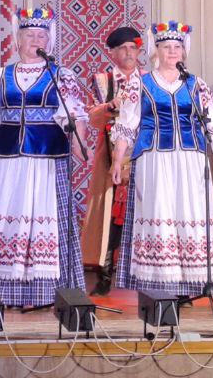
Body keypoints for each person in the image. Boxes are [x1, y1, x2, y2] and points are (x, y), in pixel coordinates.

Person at [0, 6, 89, 308]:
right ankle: (3, 291)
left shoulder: (60, 75)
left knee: (44, 221)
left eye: (42, 35)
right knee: (8, 217)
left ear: (49, 40)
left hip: (47, 158)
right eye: (30, 35)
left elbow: (75, 116)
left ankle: (47, 292)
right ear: (18, 39)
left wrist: (79, 144)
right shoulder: (0, 76)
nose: (36, 40)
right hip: (7, 160)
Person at [111, 21, 213, 297]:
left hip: (191, 159)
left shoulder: (196, 84)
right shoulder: (140, 83)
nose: (172, 51)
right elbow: (127, 124)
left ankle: (193, 281)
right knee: (159, 209)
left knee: (190, 210)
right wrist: (117, 160)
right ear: (156, 51)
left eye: (177, 47)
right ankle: (160, 280)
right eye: (166, 46)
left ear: (184, 51)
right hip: (154, 158)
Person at [80, 25, 143, 295]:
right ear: (113, 53)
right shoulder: (102, 81)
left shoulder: (150, 80)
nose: (128, 53)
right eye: (122, 49)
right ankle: (105, 276)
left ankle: (149, 275)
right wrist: (109, 106)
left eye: (132, 48)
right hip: (110, 155)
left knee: (145, 212)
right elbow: (90, 118)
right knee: (110, 217)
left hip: (143, 155)